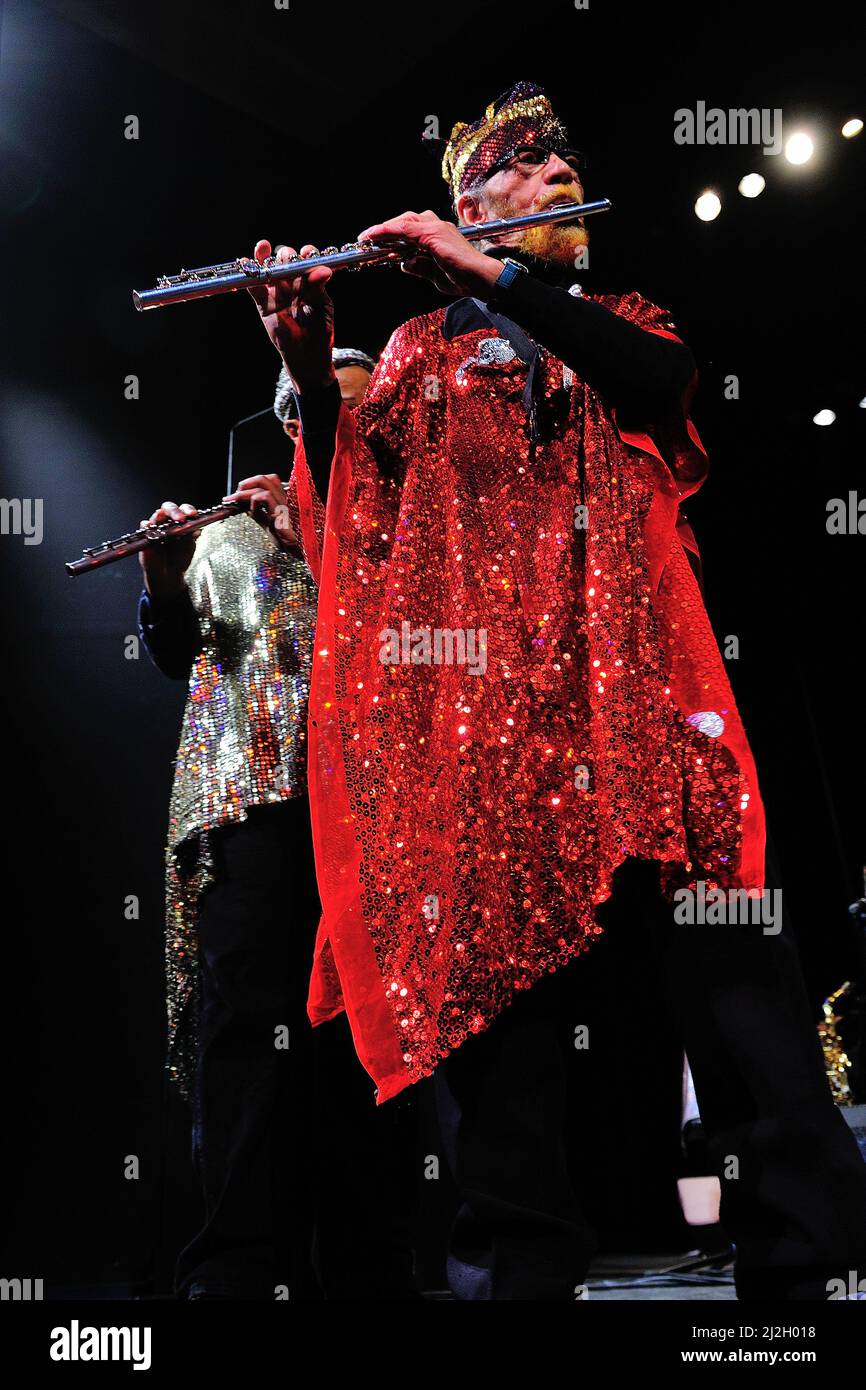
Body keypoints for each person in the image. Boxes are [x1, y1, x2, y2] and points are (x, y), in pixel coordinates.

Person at [234, 79, 866, 1301]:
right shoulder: (415, 357)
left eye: (563, 161)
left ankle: (803, 1275)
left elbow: (661, 386)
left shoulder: (618, 318)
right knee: (501, 1031)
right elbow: (348, 528)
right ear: (464, 201)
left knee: (735, 993)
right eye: (524, 165)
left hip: (639, 705)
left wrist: (489, 273)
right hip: (488, 729)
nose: (558, 174)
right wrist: (311, 374)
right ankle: (517, 1282)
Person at [138, 350, 419, 1301]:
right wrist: (165, 577)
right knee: (246, 1036)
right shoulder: (229, 530)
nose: (331, 421)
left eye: (352, 405)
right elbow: (177, 652)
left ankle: (368, 1266)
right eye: (313, 406)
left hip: (370, 808)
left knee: (359, 1042)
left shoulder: (403, 521)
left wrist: (317, 537)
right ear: (288, 415)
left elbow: (420, 644)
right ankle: (236, 1270)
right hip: (246, 804)